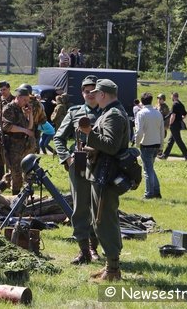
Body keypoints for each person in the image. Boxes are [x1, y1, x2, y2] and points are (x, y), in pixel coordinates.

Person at [78, 78, 129, 281]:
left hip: (106, 175)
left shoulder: (113, 115)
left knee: (103, 221)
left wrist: (89, 133)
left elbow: (111, 146)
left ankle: (113, 269)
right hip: (102, 172)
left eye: (96, 92)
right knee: (104, 220)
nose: (93, 95)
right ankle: (111, 266)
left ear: (103, 95)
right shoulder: (110, 113)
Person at [53, 74, 102, 265]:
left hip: (100, 166)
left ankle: (94, 247)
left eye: (93, 91)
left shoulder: (106, 112)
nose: (90, 94)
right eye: (86, 91)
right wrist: (67, 158)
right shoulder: (74, 112)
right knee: (80, 207)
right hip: (79, 165)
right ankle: (84, 250)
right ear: (82, 93)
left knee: (98, 208)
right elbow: (59, 137)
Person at [1, 85, 36, 195]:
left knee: (24, 172)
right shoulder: (9, 109)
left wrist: (30, 114)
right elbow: (7, 126)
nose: (26, 102)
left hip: (23, 145)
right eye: (25, 99)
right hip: (13, 145)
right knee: (16, 173)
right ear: (18, 97)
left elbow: (29, 127)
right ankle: (14, 197)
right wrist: (24, 131)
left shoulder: (21, 109)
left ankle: (15, 192)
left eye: (27, 100)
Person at [134, 92, 163, 199]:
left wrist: (137, 143)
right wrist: (161, 146)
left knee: (147, 170)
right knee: (150, 168)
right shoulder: (158, 113)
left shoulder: (141, 113)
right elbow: (161, 130)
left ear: (142, 101)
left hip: (146, 144)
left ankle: (149, 193)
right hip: (156, 143)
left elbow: (139, 131)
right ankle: (156, 191)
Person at [158, 92, 187, 161]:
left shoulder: (174, 104)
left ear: (173, 96)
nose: (171, 98)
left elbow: (173, 115)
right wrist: (180, 119)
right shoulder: (181, 104)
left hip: (174, 125)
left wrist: (170, 124)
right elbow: (185, 114)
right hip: (178, 124)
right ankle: (165, 156)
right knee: (171, 141)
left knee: (179, 141)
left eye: (171, 96)